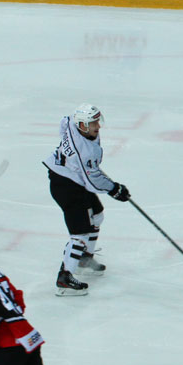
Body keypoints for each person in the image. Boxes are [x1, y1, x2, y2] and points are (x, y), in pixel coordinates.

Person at [42, 103, 131, 296]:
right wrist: (114, 189)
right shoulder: (85, 152)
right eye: (93, 123)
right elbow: (93, 181)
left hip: (73, 177)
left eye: (97, 120)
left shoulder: (72, 123)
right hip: (66, 185)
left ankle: (83, 257)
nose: (97, 126)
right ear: (82, 126)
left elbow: (63, 123)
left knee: (97, 215)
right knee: (80, 233)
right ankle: (65, 276)